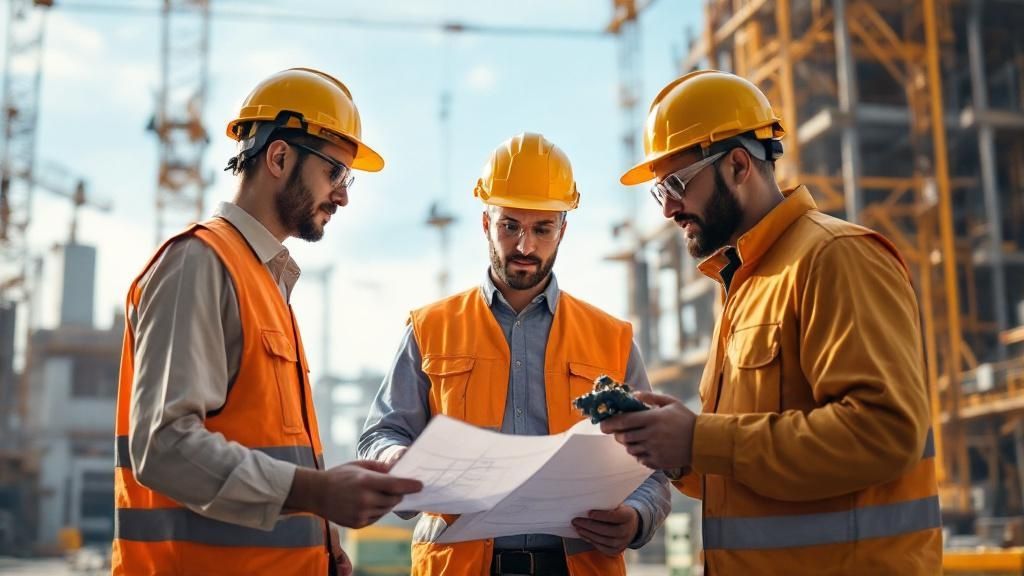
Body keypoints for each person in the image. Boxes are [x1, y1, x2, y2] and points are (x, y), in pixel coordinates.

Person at [602, 69, 941, 574]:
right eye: (660, 193)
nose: (669, 209)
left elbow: (884, 432)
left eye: (675, 184)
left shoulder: (836, 257)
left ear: (738, 164)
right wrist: (678, 452)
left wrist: (700, 438)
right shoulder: (744, 287)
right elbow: (742, 466)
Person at [112, 68, 422, 576]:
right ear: (279, 157)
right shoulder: (199, 263)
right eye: (335, 174)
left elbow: (260, 444)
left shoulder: (264, 281)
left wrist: (321, 543)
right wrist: (317, 492)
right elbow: (163, 446)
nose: (343, 195)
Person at [359, 132, 670, 576]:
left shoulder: (611, 339)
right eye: (510, 226)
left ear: (563, 228)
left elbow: (654, 464)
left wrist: (636, 517)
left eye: (542, 229)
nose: (525, 247)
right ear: (486, 224)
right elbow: (382, 434)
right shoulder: (430, 329)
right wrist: (395, 459)